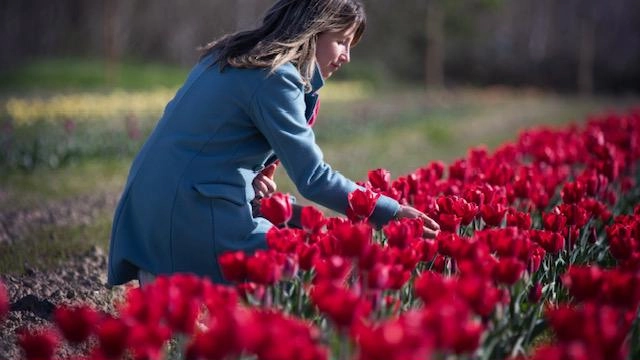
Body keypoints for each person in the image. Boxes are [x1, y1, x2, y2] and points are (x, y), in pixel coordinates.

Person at [107, 0, 440, 287]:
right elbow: (314, 179)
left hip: (151, 211)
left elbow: (202, 141)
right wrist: (390, 212)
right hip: (189, 220)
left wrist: (251, 180)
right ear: (313, 30)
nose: (346, 56)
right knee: (324, 259)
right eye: (341, 41)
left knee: (300, 225)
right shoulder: (275, 77)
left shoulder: (231, 55)